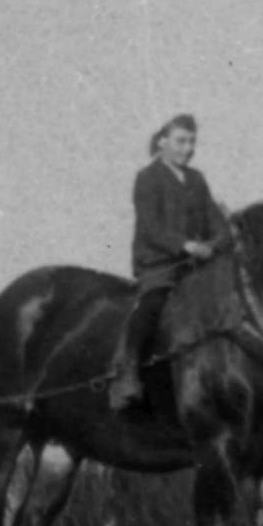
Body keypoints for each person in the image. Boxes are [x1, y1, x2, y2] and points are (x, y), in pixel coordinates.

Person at [106, 113, 228, 414]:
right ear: (162, 142)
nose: (187, 149)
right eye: (180, 141)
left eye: (192, 142)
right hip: (159, 264)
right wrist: (185, 245)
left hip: (194, 267)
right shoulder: (148, 178)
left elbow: (214, 219)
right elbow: (151, 227)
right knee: (152, 305)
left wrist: (220, 240)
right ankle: (127, 373)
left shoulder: (197, 179)